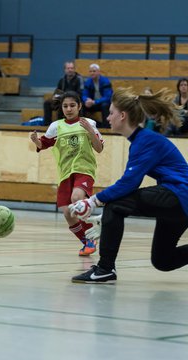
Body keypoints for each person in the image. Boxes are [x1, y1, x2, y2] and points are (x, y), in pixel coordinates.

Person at [69, 87, 188, 283]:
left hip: (179, 195)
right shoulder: (141, 141)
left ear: (122, 115)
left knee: (115, 205)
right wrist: (107, 220)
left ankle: (105, 269)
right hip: (180, 202)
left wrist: (92, 202)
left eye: (111, 113)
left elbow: (129, 183)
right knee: (163, 260)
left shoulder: (146, 141)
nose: (108, 118)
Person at [31, 91, 104, 256]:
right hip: (65, 173)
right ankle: (88, 241)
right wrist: (36, 141)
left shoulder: (88, 123)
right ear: (61, 108)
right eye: (65, 106)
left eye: (72, 105)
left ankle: (93, 228)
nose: (69, 109)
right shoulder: (56, 127)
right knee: (67, 212)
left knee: (76, 199)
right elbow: (44, 144)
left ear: (79, 106)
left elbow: (99, 148)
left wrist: (90, 131)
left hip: (84, 169)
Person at [43, 61, 84, 126]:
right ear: (65, 70)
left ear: (74, 69)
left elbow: (80, 93)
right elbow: (58, 91)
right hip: (62, 100)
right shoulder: (62, 80)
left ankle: (63, 125)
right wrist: (55, 97)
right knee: (47, 103)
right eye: (68, 68)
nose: (70, 70)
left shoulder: (79, 79)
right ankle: (47, 125)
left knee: (63, 105)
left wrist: (66, 96)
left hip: (74, 101)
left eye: (72, 68)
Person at [82, 63, 113, 128]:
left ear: (99, 72)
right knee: (82, 105)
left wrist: (95, 102)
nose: (92, 73)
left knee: (105, 105)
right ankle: (83, 126)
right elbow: (84, 94)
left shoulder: (105, 81)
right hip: (92, 103)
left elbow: (108, 97)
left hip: (102, 103)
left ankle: (106, 127)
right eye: (90, 71)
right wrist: (86, 100)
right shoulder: (88, 82)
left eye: (94, 71)